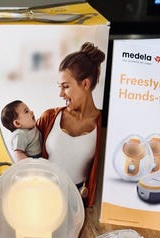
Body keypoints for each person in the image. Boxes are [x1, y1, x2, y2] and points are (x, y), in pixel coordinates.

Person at [37, 42, 105, 206]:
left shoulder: (104, 125)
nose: (61, 94)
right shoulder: (49, 117)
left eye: (66, 87)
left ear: (85, 84)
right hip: (44, 196)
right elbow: (27, 149)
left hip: (79, 202)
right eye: (60, 87)